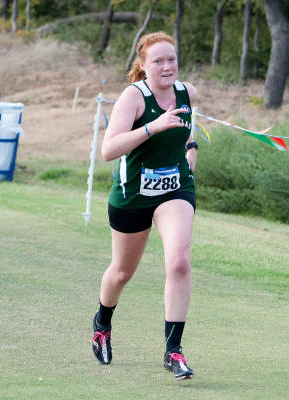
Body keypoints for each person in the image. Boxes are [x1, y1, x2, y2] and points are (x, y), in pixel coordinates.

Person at [91, 31, 199, 381]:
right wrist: (153, 127)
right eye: (158, 61)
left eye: (172, 59)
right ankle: (102, 323)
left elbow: (186, 126)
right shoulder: (133, 97)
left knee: (179, 262)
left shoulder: (187, 92)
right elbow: (109, 150)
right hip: (133, 195)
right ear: (143, 64)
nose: (167, 66)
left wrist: (191, 148)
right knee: (122, 272)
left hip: (175, 189)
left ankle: (173, 351)